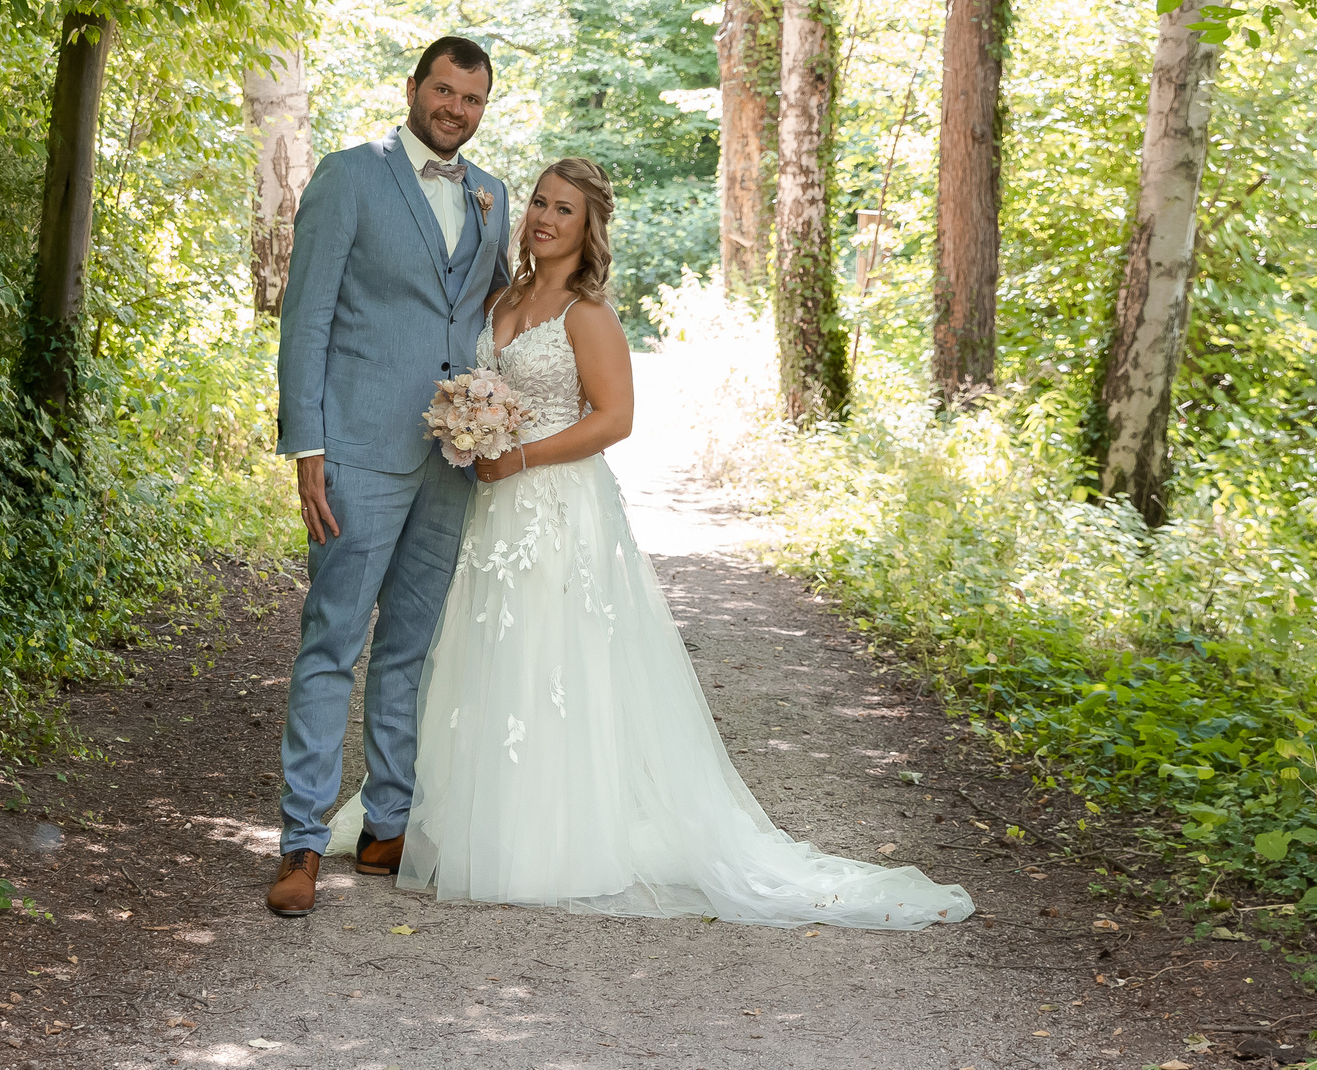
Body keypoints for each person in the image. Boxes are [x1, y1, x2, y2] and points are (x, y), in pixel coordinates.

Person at [326, 157, 974, 930]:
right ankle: (465, 820)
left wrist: (520, 452)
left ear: (586, 227)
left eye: (563, 210)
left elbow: (614, 418)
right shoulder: (501, 296)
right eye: (538, 202)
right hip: (488, 507)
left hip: (555, 507)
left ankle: (547, 839)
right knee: (479, 654)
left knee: (552, 659)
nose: (542, 218)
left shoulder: (586, 313)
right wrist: (469, 428)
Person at [266, 36, 511, 917]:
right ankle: (300, 841)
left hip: (451, 460)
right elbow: (307, 318)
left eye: (471, 98)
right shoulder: (348, 175)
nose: (454, 107)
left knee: (410, 649)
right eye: (443, 90)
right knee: (332, 641)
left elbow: (493, 312)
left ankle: (385, 826)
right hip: (358, 451)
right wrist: (308, 446)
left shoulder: (494, 194)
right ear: (413, 88)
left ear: (483, 107)